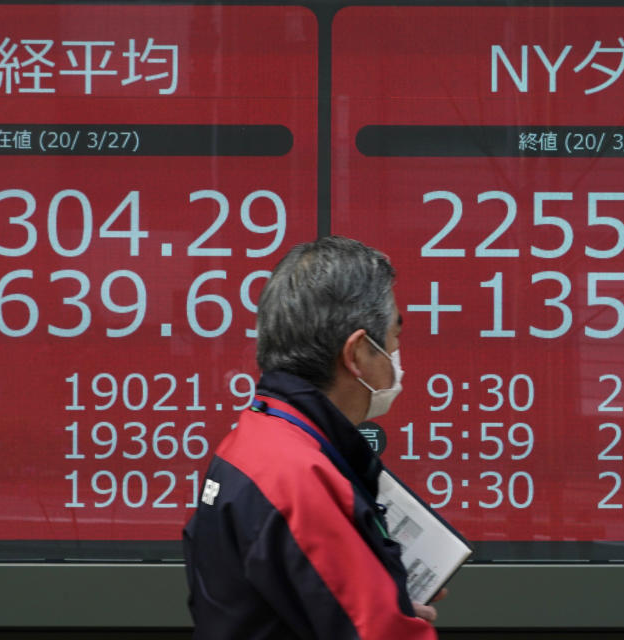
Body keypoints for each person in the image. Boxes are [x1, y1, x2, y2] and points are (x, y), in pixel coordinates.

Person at [183, 236, 441, 639]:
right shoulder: (300, 478)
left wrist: (385, 593)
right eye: (394, 337)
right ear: (356, 354)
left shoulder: (257, 436)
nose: (396, 354)